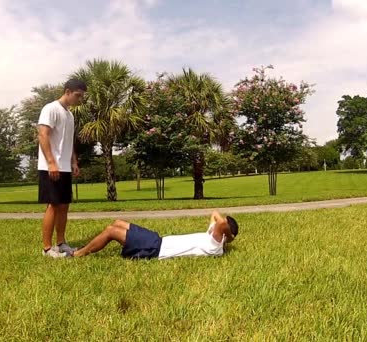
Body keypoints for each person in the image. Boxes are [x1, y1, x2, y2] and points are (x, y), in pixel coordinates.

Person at [37, 79, 87, 258]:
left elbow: (69, 141)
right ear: (67, 91)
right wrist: (51, 162)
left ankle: (61, 243)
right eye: (77, 95)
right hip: (50, 167)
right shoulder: (50, 109)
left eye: (82, 96)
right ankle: (47, 248)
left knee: (64, 205)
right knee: (54, 205)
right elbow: (43, 135)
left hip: (64, 167)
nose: (80, 99)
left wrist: (73, 161)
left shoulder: (70, 115)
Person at [72, 210, 238, 259]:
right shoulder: (211, 235)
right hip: (158, 239)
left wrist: (228, 238)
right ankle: (86, 247)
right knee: (118, 222)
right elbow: (214, 213)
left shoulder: (215, 245)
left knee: (111, 231)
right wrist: (224, 232)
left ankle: (78, 254)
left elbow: (221, 222)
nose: (216, 223)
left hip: (156, 248)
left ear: (224, 234)